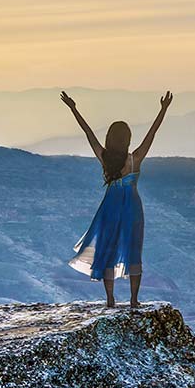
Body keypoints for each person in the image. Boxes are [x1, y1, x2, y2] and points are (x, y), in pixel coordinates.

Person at [60, 90, 172, 308]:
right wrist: (163, 109)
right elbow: (152, 134)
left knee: (107, 249)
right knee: (133, 249)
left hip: (110, 207)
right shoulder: (135, 159)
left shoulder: (105, 159)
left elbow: (88, 133)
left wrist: (74, 109)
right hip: (132, 207)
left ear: (109, 139)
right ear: (128, 140)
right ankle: (133, 300)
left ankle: (110, 299)